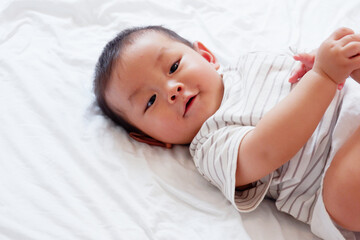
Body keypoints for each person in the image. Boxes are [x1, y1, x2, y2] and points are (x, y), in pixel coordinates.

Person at [93, 25, 360, 239]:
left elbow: (306, 68)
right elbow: (265, 150)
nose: (171, 90)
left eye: (174, 67)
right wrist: (323, 76)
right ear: (151, 139)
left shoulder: (253, 63)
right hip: (333, 175)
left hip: (352, 106)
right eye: (150, 101)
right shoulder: (209, 146)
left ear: (207, 56)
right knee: (343, 196)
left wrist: (328, 58)